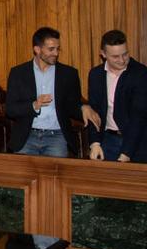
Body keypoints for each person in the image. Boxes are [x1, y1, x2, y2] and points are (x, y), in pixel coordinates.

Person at [6, 27, 100, 157]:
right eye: (51, 49)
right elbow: (10, 109)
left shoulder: (69, 74)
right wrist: (34, 105)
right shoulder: (18, 73)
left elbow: (73, 106)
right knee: (24, 177)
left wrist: (83, 107)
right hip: (26, 138)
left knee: (54, 177)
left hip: (57, 138)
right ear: (37, 49)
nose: (56, 53)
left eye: (57, 49)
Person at [87, 30, 147, 163]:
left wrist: (126, 154)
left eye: (125, 54)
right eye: (115, 56)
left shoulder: (142, 74)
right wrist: (95, 143)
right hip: (109, 140)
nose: (122, 60)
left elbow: (138, 117)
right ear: (103, 54)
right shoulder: (96, 74)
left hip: (143, 144)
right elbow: (94, 112)